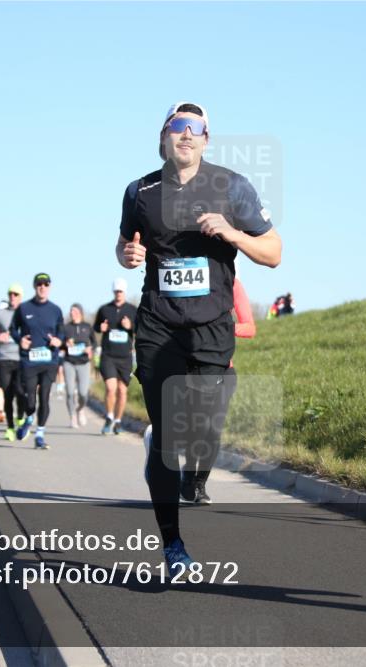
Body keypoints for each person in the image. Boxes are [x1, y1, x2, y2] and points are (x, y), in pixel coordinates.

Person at [117, 101, 281, 575]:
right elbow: (125, 244)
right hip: (158, 326)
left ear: (206, 139)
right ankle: (172, 547)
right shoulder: (140, 191)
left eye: (196, 128)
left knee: (203, 427)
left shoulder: (231, 186)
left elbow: (273, 252)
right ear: (163, 137)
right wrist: (127, 254)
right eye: (177, 126)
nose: (186, 134)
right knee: (171, 438)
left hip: (212, 327)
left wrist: (233, 234)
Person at [177, 275, 255, 504]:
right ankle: (188, 473)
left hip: (223, 371)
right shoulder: (191, 281)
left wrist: (222, 329)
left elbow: (250, 327)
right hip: (193, 369)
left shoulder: (232, 284)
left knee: (213, 430)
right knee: (197, 428)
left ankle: (200, 483)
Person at [11, 273, 64, 450]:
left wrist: (58, 340)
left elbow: (61, 331)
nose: (43, 287)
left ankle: (40, 434)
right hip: (30, 361)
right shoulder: (24, 308)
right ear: (34, 287)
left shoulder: (55, 310)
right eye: (39, 284)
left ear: (49, 287)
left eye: (46, 284)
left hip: (50, 360)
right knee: (31, 400)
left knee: (44, 397)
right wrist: (20, 340)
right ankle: (29, 418)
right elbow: (12, 329)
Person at [94, 278, 138, 435]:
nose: (118, 294)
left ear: (124, 292)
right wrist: (101, 327)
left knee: (122, 391)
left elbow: (140, 329)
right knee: (110, 388)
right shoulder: (104, 309)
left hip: (125, 356)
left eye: (121, 291)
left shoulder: (132, 310)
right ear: (113, 292)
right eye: (116, 291)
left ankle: (118, 421)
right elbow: (96, 328)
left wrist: (131, 326)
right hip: (108, 355)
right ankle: (109, 417)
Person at [0, 287, 26, 440]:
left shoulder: (25, 312)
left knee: (21, 392)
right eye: (10, 294)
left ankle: (20, 416)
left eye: (16, 294)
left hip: (20, 358)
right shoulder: (1, 314)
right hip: (3, 358)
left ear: (21, 296)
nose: (13, 297)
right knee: (8, 394)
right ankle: (10, 427)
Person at [62, 303, 96, 428]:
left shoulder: (87, 327)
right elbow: (60, 343)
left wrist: (90, 349)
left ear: (80, 313)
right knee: (70, 392)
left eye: (75, 311)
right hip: (69, 362)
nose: (72, 313)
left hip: (84, 363)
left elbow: (94, 343)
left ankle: (80, 409)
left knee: (83, 393)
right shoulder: (66, 328)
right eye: (71, 311)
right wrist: (65, 344)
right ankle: (72, 417)